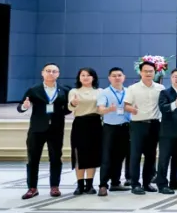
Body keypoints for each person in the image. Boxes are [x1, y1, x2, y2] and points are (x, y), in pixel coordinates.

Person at [18, 63, 71, 199]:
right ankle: (32, 188)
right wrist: (24, 106)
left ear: (58, 74)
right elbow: (20, 107)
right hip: (37, 129)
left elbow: (66, 110)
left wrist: (72, 106)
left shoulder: (64, 90)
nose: (51, 73)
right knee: (33, 159)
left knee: (56, 158)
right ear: (42, 73)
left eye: (54, 71)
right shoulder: (34, 90)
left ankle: (54, 187)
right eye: (48, 71)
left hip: (56, 129)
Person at [124, 61, 164, 195]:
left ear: (155, 72)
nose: (148, 73)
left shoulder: (160, 88)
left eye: (151, 71)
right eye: (145, 71)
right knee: (135, 155)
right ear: (140, 72)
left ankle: (147, 183)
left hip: (154, 124)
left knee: (151, 156)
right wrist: (131, 109)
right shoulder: (132, 88)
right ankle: (135, 184)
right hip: (138, 125)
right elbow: (126, 105)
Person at [155, 68, 177, 194]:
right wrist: (175, 104)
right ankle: (162, 184)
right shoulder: (165, 93)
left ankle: (175, 182)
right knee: (164, 159)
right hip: (167, 132)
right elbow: (163, 108)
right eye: (175, 76)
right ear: (171, 78)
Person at [96, 67, 131, 196]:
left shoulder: (129, 92)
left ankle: (115, 183)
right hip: (110, 128)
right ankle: (103, 185)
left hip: (126, 127)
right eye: (114, 75)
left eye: (119, 75)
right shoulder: (104, 93)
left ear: (124, 77)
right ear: (109, 78)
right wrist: (108, 110)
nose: (117, 78)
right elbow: (100, 109)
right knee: (107, 157)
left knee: (120, 156)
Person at [68, 67, 102, 195]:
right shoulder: (74, 91)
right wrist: (73, 103)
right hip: (80, 124)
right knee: (79, 154)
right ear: (79, 77)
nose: (85, 77)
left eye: (88, 75)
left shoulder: (100, 91)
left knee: (92, 154)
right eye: (83, 75)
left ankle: (90, 184)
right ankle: (80, 185)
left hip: (95, 123)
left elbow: (102, 108)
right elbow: (70, 107)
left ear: (93, 77)